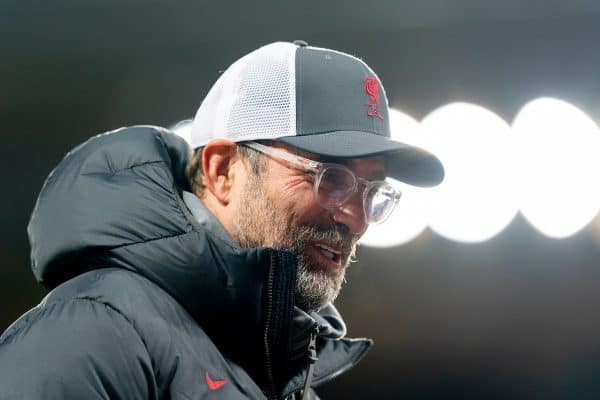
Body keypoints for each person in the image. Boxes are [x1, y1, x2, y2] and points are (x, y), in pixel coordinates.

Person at [0, 41, 443, 399]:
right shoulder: (94, 336)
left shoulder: (282, 374)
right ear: (223, 171)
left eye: (373, 191)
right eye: (331, 178)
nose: (357, 218)